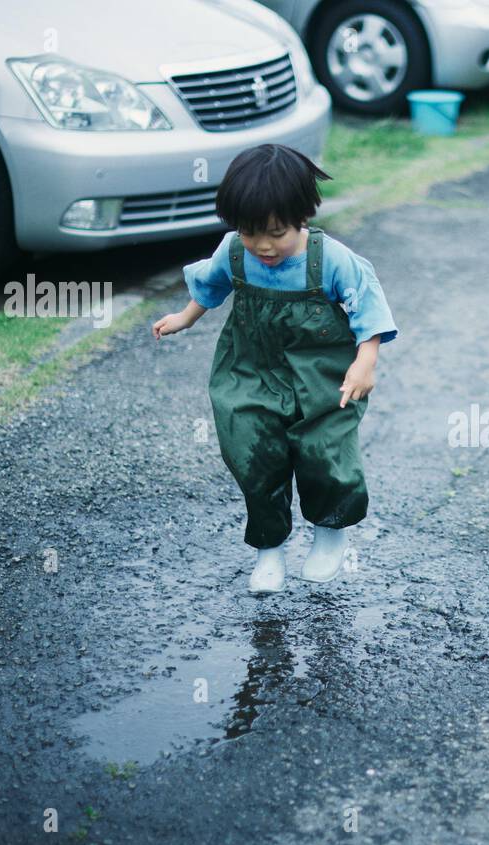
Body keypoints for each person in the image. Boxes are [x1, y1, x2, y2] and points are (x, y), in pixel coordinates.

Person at [153, 144, 397, 592]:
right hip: (250, 369)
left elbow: (368, 308)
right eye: (249, 232)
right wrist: (185, 317)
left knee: (325, 453)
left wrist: (366, 362)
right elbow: (211, 283)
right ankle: (269, 550)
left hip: (321, 375)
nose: (263, 246)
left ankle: (329, 532)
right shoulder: (235, 251)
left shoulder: (332, 260)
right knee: (252, 453)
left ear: (302, 216)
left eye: (275, 233)